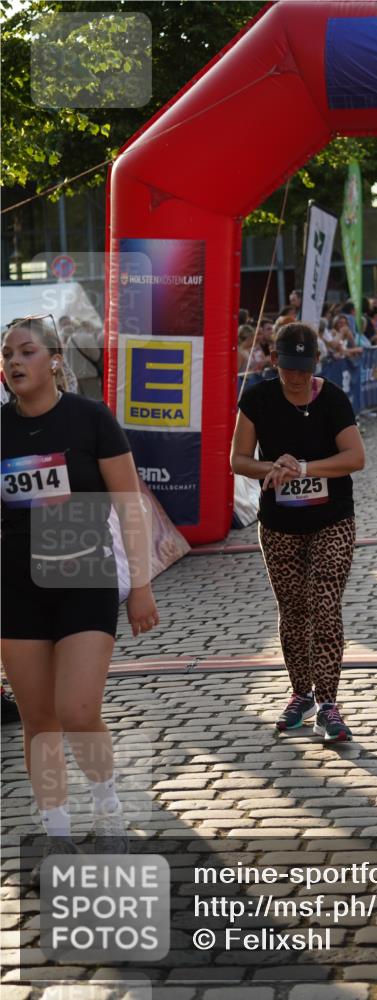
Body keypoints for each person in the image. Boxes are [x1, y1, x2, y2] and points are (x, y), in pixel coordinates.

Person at [1, 315, 159, 860]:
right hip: (15, 583)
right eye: (6, 356)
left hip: (83, 573)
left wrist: (140, 585)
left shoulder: (91, 419)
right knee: (38, 718)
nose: (14, 362)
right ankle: (56, 830)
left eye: (25, 352)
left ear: (54, 361)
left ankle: (108, 807)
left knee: (76, 707)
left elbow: (129, 506)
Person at [231, 323, 365, 743]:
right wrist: (270, 468)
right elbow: (238, 460)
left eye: (304, 369)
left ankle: (328, 704)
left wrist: (304, 468)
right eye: (289, 368)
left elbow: (355, 457)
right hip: (279, 525)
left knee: (324, 602)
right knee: (293, 611)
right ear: (274, 362)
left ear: (316, 365)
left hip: (333, 520)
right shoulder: (257, 399)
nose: (297, 377)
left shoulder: (333, 400)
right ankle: (300, 694)